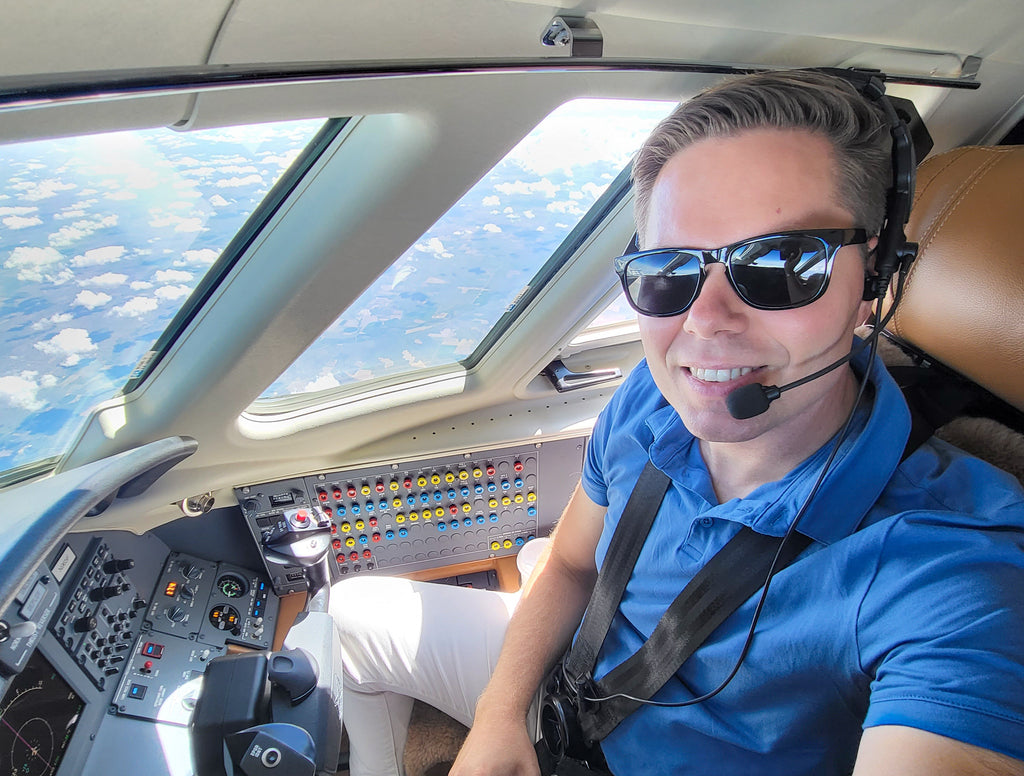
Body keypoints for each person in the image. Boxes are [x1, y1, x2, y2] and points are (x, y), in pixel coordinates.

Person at [332, 70, 1024, 775]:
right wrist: (500, 713)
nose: (704, 323)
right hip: (571, 694)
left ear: (873, 280)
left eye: (781, 263)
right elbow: (573, 565)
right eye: (670, 269)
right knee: (351, 615)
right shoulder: (649, 398)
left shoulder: (952, 571)